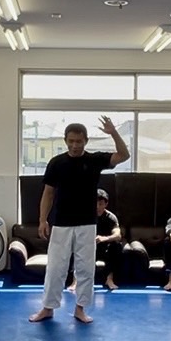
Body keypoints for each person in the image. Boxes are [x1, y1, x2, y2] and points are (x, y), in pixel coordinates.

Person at [29, 117, 130, 324]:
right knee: (55, 268)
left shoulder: (94, 160)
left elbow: (123, 155)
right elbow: (48, 193)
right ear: (65, 141)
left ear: (86, 141)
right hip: (61, 223)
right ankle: (48, 308)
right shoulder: (56, 163)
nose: (75, 145)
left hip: (87, 224)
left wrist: (113, 132)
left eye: (79, 141)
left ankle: (80, 309)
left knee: (85, 268)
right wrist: (42, 220)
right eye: (71, 141)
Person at [67, 188, 123, 292]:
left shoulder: (111, 217)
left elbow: (118, 235)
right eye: (95, 204)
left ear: (106, 204)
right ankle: (75, 281)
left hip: (104, 249)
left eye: (100, 204)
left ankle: (109, 279)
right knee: (77, 246)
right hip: (88, 247)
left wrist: (104, 238)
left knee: (116, 245)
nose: (97, 207)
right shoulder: (85, 216)